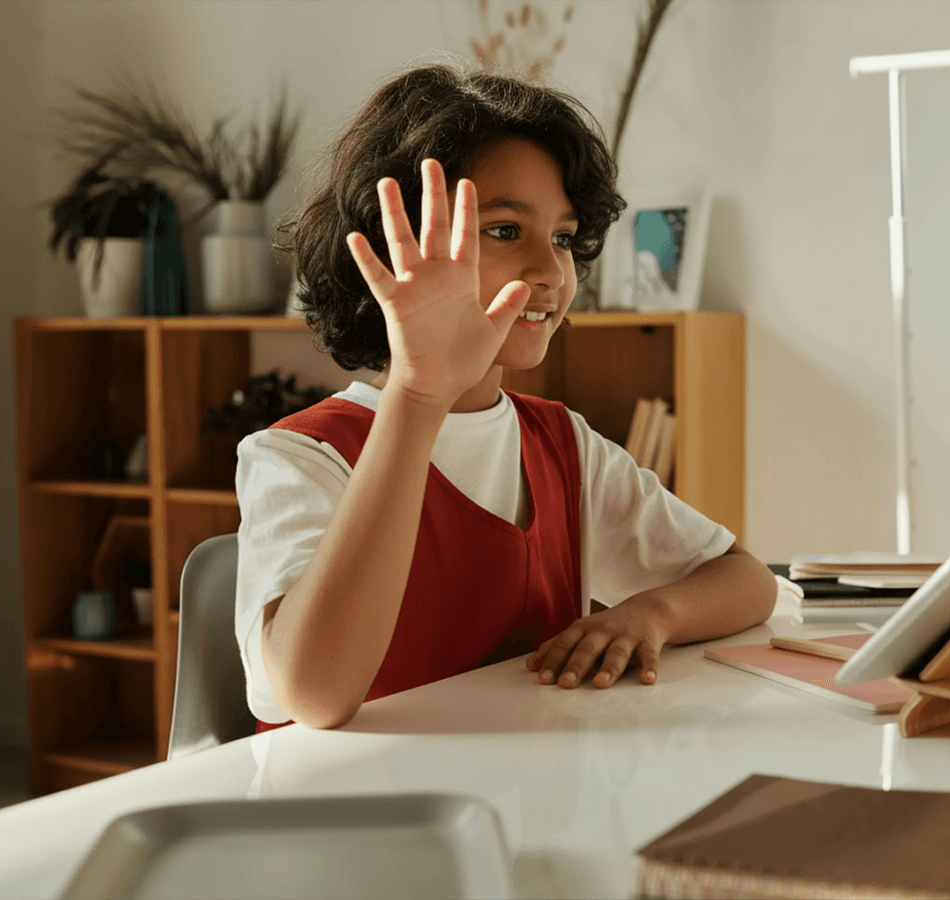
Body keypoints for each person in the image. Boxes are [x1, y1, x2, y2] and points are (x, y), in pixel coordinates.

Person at [233, 64, 776, 731]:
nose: (551, 272)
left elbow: (748, 581)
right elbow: (315, 695)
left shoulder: (563, 446)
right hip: (353, 795)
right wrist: (418, 395)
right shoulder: (298, 458)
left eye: (563, 238)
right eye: (505, 231)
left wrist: (651, 613)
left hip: (524, 787)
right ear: (396, 248)